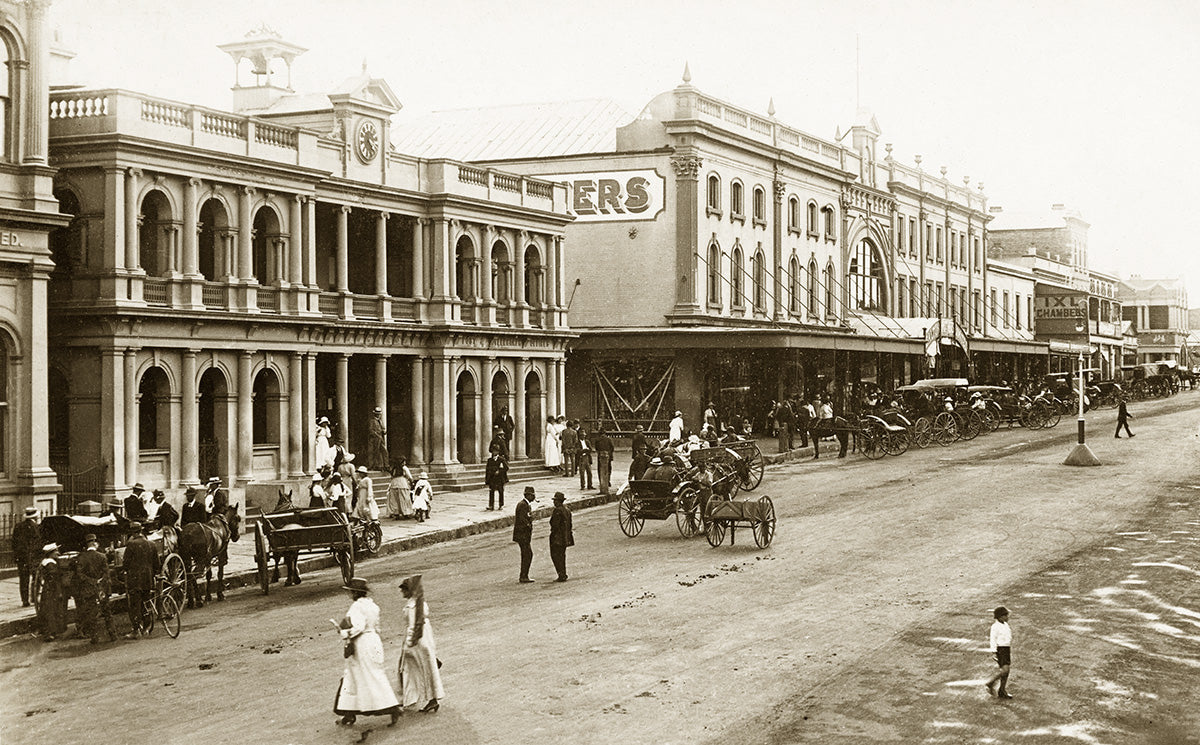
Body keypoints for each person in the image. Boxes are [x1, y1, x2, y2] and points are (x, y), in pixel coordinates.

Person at [333, 578, 402, 727]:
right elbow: (376, 626)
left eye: (350, 592)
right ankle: (349, 712)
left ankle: (391, 707)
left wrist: (344, 632)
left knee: (360, 676)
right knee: (369, 674)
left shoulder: (357, 607)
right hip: (374, 640)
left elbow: (358, 626)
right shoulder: (373, 605)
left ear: (354, 593)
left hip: (362, 642)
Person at [398, 575, 444, 714]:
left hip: (418, 641)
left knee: (412, 669)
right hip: (425, 637)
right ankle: (416, 698)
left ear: (409, 591)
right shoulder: (419, 603)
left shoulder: (412, 606)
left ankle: (413, 698)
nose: (402, 592)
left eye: (404, 590)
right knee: (424, 668)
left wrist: (408, 643)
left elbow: (413, 626)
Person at [74, 533, 117, 644]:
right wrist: (100, 581)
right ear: (94, 543)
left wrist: (92, 581)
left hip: (89, 589)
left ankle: (94, 638)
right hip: (101, 589)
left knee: (91, 614)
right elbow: (106, 573)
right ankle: (112, 635)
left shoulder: (81, 558)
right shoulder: (102, 556)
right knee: (107, 612)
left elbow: (80, 575)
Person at [122, 523, 158, 638]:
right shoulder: (151, 544)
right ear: (141, 531)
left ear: (133, 533)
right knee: (146, 602)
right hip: (148, 579)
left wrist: (125, 570)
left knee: (135, 604)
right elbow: (156, 564)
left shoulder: (131, 544)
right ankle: (146, 628)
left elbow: (126, 563)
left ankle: (136, 630)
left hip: (135, 579)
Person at [37, 543, 68, 640]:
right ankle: (51, 632)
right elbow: (55, 579)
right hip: (52, 589)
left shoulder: (46, 562)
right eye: (56, 551)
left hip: (48, 589)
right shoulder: (51, 564)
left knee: (48, 609)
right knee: (52, 610)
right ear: (50, 553)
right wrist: (59, 591)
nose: (58, 553)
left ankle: (49, 631)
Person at [12, 506, 41, 607]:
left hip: (21, 558)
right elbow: (37, 543)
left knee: (23, 579)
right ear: (35, 516)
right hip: (33, 557)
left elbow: (14, 543)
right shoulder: (36, 527)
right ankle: (34, 597)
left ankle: (25, 600)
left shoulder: (18, 526)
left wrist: (17, 556)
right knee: (36, 578)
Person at [985, 606, 1014, 699]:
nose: (1007, 617)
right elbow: (993, 640)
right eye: (1005, 616)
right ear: (1000, 617)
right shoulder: (995, 627)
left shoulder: (1005, 625)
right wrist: (994, 652)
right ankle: (991, 683)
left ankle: (1002, 690)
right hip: (1000, 649)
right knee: (1005, 670)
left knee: (1006, 671)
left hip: (1006, 649)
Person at [548, 492, 574, 582]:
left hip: (557, 537)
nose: (554, 502)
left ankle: (561, 574)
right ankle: (563, 573)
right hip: (565, 537)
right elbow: (570, 524)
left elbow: (554, 524)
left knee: (555, 556)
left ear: (558, 501)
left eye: (555, 501)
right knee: (562, 556)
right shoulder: (567, 510)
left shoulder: (557, 511)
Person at [513, 486, 535, 583]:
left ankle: (524, 575)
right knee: (528, 554)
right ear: (528, 495)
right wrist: (528, 525)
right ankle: (524, 576)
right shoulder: (523, 505)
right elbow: (523, 520)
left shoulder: (525, 504)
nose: (534, 497)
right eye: (532, 495)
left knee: (527, 554)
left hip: (523, 535)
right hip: (523, 535)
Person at [485, 446, 508, 510]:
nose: (494, 452)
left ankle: (501, 505)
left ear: (498, 452)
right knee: (491, 491)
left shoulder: (501, 459)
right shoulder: (490, 460)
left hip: (499, 478)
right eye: (493, 451)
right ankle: (491, 505)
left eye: (496, 451)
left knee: (500, 491)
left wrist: (499, 471)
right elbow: (487, 470)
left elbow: (506, 468)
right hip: (492, 478)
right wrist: (487, 480)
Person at [594, 426, 614, 496]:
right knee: (608, 469)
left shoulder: (597, 440)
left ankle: (602, 482)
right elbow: (612, 448)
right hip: (608, 456)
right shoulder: (609, 439)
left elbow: (596, 448)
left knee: (600, 470)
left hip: (601, 456)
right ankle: (607, 481)